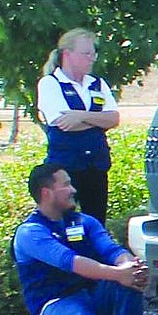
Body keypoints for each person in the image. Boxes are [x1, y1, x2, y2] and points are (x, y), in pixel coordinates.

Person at [11, 163, 158, 315]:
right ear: (46, 192)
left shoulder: (84, 222)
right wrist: (118, 274)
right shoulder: (30, 233)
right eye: (66, 184)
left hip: (93, 294)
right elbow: (71, 262)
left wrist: (130, 268)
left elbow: (111, 251)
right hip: (55, 306)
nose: (73, 190)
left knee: (129, 282)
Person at [36, 29, 120, 226]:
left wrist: (81, 115)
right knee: (65, 221)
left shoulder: (97, 84)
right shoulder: (51, 83)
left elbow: (114, 119)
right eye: (86, 54)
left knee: (97, 221)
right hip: (65, 169)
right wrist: (98, 120)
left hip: (96, 166)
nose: (92, 59)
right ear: (67, 54)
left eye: (94, 54)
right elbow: (64, 124)